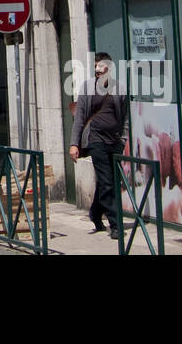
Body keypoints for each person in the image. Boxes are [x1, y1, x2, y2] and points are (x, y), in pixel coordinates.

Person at [69, 52, 128, 239]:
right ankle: (116, 225)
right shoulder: (87, 88)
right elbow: (79, 118)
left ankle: (95, 213)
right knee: (107, 181)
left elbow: (125, 118)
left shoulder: (119, 88)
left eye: (100, 66)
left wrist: (124, 140)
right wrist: (74, 144)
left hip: (115, 141)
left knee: (109, 182)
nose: (97, 70)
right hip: (96, 140)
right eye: (95, 66)